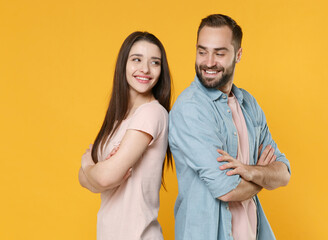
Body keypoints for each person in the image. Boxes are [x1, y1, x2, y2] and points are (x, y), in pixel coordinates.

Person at [169, 14, 291, 240]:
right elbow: (227, 189)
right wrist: (262, 178)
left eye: (219, 53)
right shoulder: (190, 109)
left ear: (238, 55)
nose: (208, 62)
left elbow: (283, 172)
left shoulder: (248, 104)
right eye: (202, 51)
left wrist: (251, 171)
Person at [78, 31, 172, 240]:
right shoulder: (118, 120)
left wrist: (88, 166)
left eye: (154, 62)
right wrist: (98, 175)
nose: (145, 69)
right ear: (124, 64)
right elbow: (86, 180)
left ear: (161, 70)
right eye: (136, 59)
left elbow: (102, 177)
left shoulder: (152, 113)